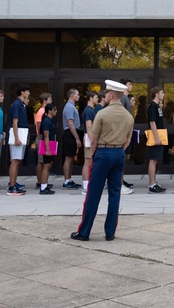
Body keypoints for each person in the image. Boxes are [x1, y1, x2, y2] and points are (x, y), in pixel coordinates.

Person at [71, 80, 134, 242]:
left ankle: (84, 232)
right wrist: (118, 150)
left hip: (103, 153)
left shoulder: (102, 114)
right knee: (115, 194)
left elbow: (93, 139)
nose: (105, 96)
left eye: (106, 93)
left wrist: (93, 155)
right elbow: (128, 140)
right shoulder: (128, 116)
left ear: (112, 95)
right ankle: (110, 232)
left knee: (93, 193)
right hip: (119, 152)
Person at [7, 85, 30, 196]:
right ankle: (11, 187)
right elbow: (15, 122)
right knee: (15, 160)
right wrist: (16, 138)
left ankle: (14, 183)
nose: (29, 93)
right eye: (27, 91)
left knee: (18, 160)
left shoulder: (22, 104)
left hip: (22, 133)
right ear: (22, 92)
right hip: (18, 134)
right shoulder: (17, 105)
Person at [146, 86, 167, 193]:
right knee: (153, 159)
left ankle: (154, 181)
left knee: (156, 159)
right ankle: (152, 184)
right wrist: (157, 137)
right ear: (156, 94)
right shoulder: (153, 106)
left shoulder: (157, 106)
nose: (163, 95)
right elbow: (152, 122)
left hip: (159, 134)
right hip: (156, 135)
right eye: (161, 93)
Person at [61, 89, 82, 190]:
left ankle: (69, 179)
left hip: (71, 133)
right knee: (69, 157)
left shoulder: (72, 106)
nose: (79, 96)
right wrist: (77, 138)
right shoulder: (69, 107)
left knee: (71, 156)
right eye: (77, 94)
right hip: (70, 133)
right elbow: (70, 123)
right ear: (72, 95)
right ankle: (66, 180)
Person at [81, 90, 99, 194]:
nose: (97, 99)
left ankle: (88, 184)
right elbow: (89, 126)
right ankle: (85, 186)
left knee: (90, 161)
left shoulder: (91, 110)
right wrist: (92, 139)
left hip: (90, 136)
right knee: (88, 161)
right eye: (96, 97)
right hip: (89, 137)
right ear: (91, 98)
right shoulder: (88, 111)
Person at [38, 102, 57, 194]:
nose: (56, 111)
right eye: (54, 110)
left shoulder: (50, 120)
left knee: (48, 165)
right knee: (46, 166)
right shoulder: (46, 121)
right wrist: (48, 149)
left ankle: (45, 185)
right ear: (50, 111)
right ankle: (43, 187)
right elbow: (46, 136)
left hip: (51, 144)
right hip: (48, 145)